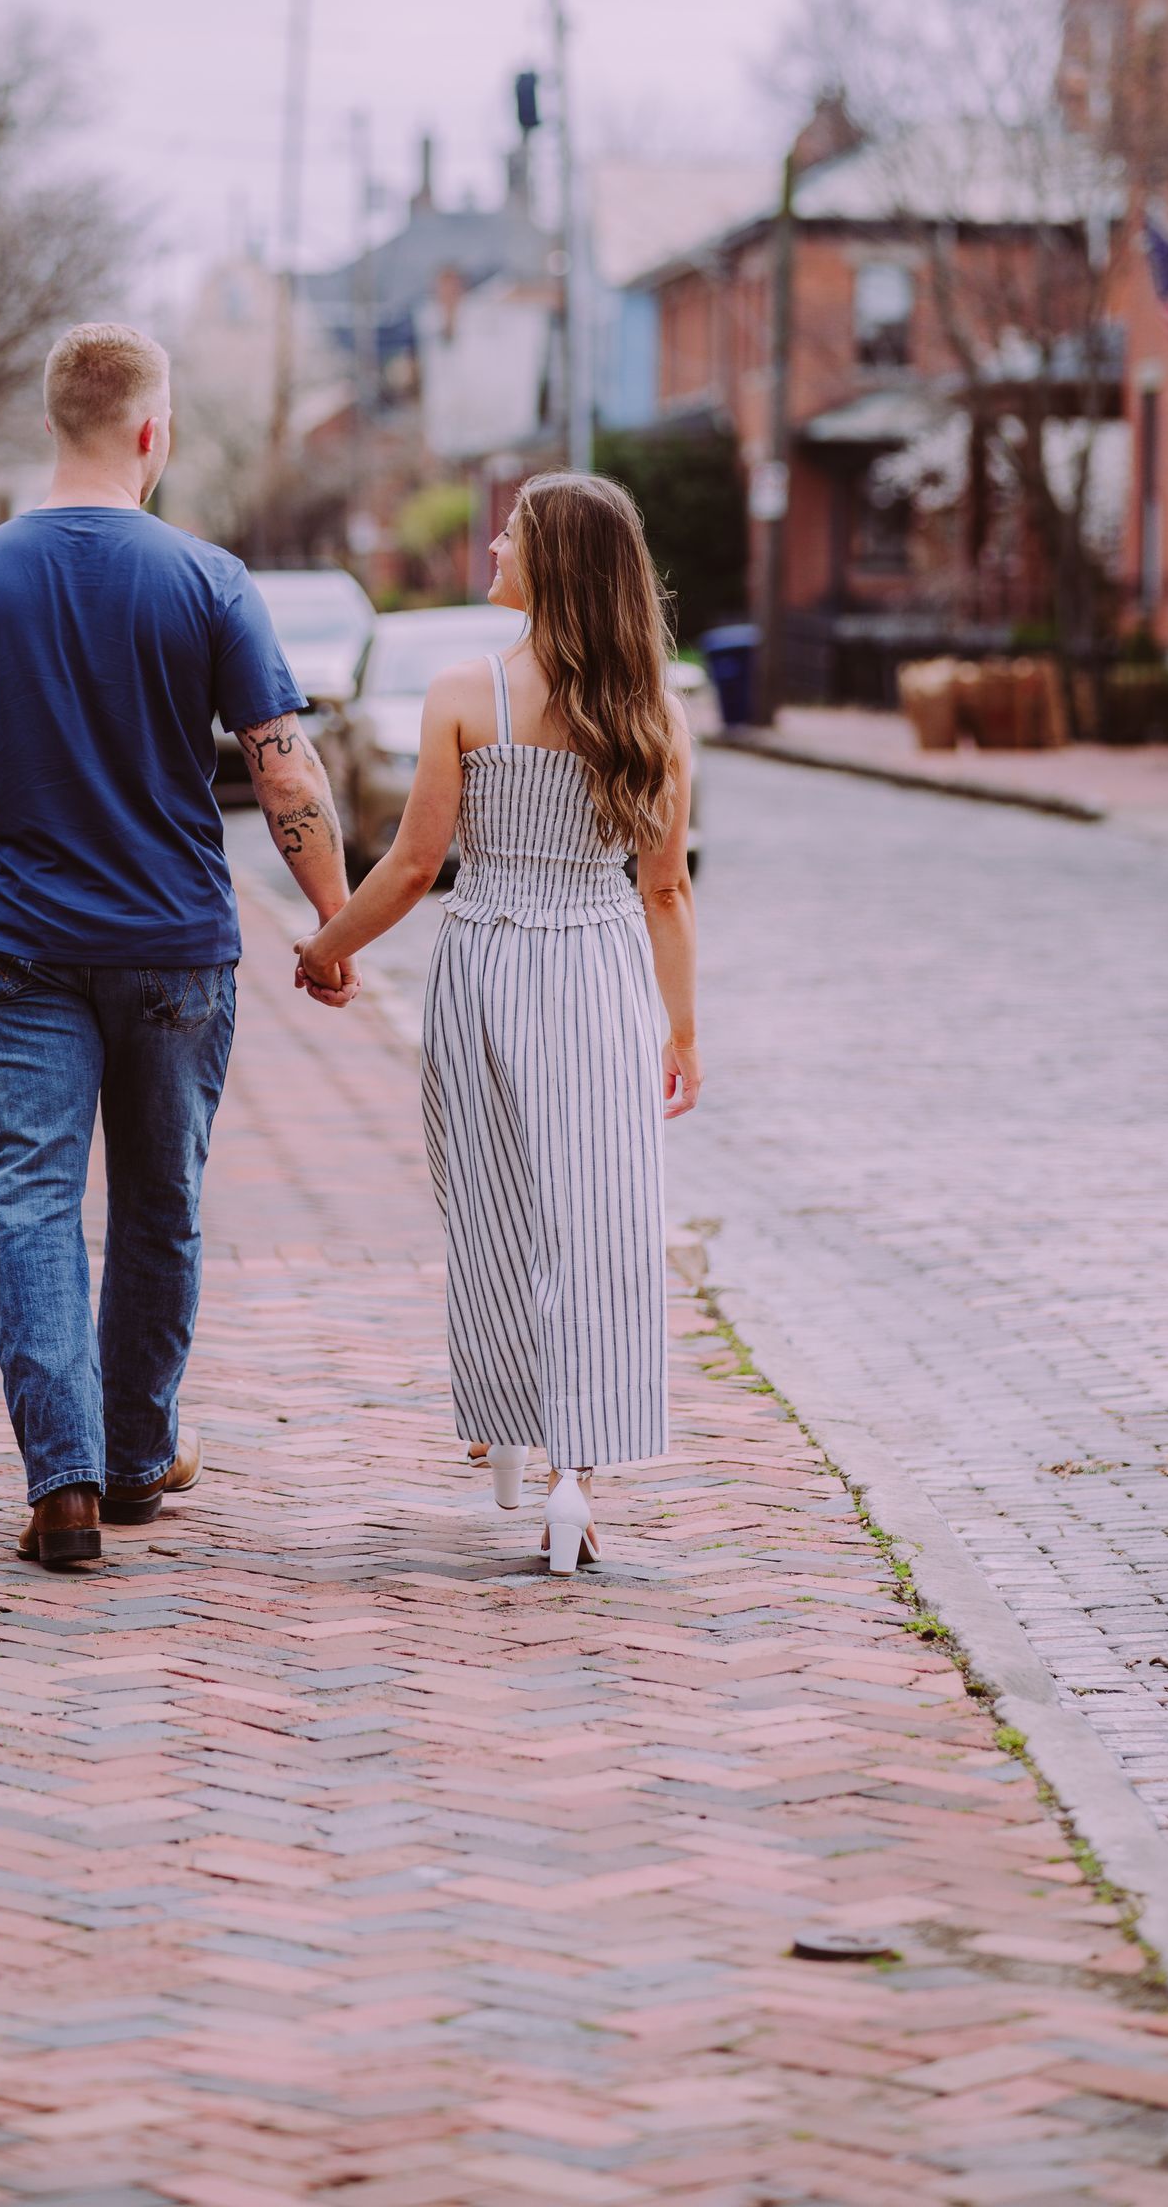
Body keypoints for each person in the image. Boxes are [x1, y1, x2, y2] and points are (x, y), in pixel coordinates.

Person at [0, 322, 357, 1570]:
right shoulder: (209, 579)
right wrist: (333, 915)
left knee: (32, 1200)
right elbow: (283, 761)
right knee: (162, 1203)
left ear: (56, 424)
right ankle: (139, 1454)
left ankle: (65, 1484)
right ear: (152, 432)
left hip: (23, 944)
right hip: (176, 949)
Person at [293, 472, 699, 1573]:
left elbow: (418, 863)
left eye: (510, 537)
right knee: (600, 1224)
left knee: (492, 1213)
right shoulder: (653, 712)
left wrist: (327, 946)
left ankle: (509, 1436)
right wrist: (683, 1030)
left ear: (553, 561)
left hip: (484, 965)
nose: (490, 551)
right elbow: (666, 892)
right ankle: (576, 1478)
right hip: (602, 969)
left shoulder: (467, 691)